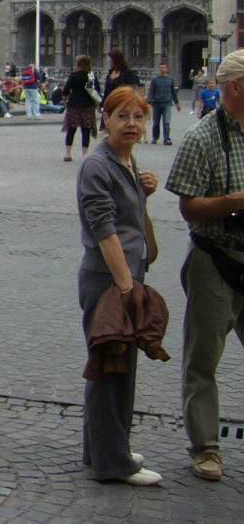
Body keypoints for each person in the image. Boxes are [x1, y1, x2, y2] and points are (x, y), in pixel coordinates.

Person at [164, 49, 244, 483]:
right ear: (235, 88)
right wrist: (233, 203)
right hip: (215, 260)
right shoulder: (202, 137)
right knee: (203, 361)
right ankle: (206, 447)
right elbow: (189, 207)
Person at [78, 85, 163, 486]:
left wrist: (141, 191)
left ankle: (103, 447)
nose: (132, 124)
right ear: (105, 120)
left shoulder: (126, 161)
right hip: (110, 280)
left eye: (138, 117)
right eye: (123, 116)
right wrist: (128, 287)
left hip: (125, 275)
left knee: (114, 365)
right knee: (111, 367)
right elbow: (103, 228)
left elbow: (125, 215)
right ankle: (113, 464)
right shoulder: (97, 164)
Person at [62, 54, 101, 163]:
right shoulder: (91, 76)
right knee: (86, 130)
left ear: (78, 64)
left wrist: (66, 99)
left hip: (74, 105)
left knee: (71, 129)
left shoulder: (74, 76)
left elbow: (66, 90)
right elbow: (96, 91)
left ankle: (68, 153)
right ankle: (84, 155)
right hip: (88, 105)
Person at [146, 62, 180, 144]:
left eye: (164, 67)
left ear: (167, 69)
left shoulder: (170, 79)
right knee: (156, 122)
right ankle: (155, 137)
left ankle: (167, 138)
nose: (162, 69)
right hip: (157, 103)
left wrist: (177, 103)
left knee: (166, 122)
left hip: (167, 103)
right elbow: (151, 91)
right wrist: (149, 101)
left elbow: (173, 92)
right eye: (161, 67)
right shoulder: (155, 79)